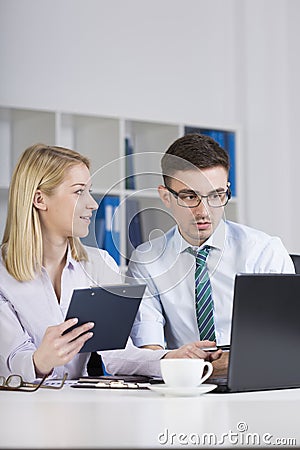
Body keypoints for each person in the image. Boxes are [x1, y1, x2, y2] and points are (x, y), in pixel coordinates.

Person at [0, 143, 219, 382]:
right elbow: (12, 360)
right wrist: (40, 360)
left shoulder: (99, 263)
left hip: (81, 405)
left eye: (89, 191)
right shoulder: (3, 275)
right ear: (40, 199)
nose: (93, 204)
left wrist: (169, 359)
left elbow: (116, 354)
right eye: (78, 192)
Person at [102, 133, 295, 375]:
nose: (204, 211)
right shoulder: (147, 260)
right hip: (182, 388)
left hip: (255, 382)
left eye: (216, 195)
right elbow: (149, 350)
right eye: (190, 196)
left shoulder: (263, 251)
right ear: (165, 197)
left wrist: (223, 364)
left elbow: (285, 342)